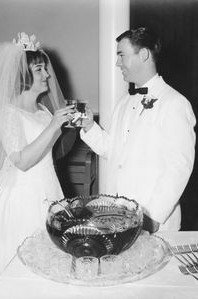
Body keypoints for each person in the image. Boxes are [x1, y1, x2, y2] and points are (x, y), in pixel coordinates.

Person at [0, 32, 74, 299]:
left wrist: (67, 125)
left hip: (48, 189)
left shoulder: (44, 111)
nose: (47, 74)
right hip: (20, 198)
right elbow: (22, 161)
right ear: (23, 75)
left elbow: (48, 152)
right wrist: (53, 127)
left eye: (45, 68)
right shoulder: (8, 113)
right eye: (39, 69)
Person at [80, 27, 196, 232]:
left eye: (121, 55)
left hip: (151, 220)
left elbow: (178, 167)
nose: (117, 63)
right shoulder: (124, 102)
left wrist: (152, 217)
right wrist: (89, 126)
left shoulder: (175, 103)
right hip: (117, 214)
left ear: (144, 55)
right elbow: (113, 150)